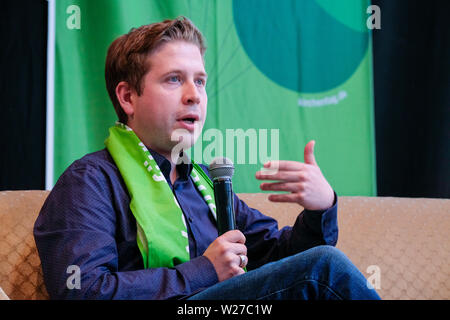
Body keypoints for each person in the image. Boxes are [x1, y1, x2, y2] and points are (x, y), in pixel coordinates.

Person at [34, 17, 380, 300]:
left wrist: (320, 209)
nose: (194, 96)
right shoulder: (90, 180)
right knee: (324, 269)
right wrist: (204, 271)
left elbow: (285, 263)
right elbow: (81, 291)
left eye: (200, 82)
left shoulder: (202, 184)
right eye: (174, 80)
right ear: (127, 97)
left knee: (318, 267)